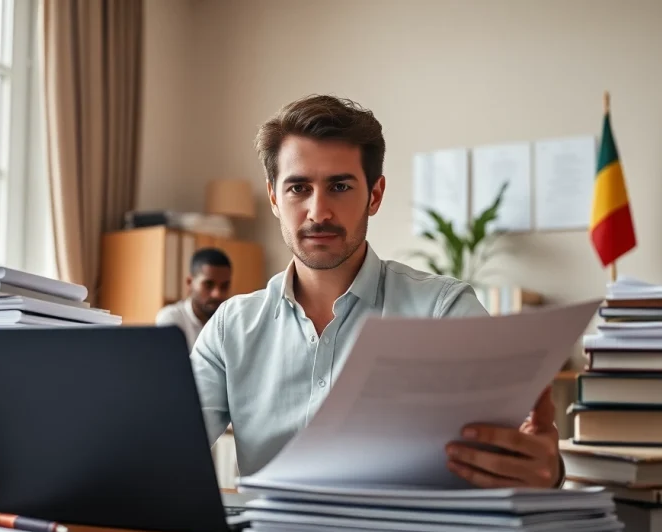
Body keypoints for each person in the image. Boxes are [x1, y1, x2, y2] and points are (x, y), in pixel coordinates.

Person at [191, 95, 563, 488]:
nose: (318, 212)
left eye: (339, 186)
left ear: (375, 194)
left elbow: (515, 451)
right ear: (273, 198)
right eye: (299, 188)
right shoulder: (231, 328)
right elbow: (168, 444)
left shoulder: (443, 311)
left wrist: (546, 470)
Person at [156, 248, 233, 349]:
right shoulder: (172, 319)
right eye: (208, 285)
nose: (217, 294)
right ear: (189, 283)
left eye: (224, 286)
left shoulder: (232, 322)